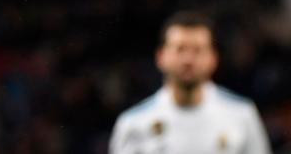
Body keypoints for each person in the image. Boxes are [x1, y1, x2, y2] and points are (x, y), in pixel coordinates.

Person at [109, 11, 271, 154]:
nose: (188, 59)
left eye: (197, 50)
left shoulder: (242, 115)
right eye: (180, 49)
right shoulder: (133, 123)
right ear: (160, 57)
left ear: (213, 59)